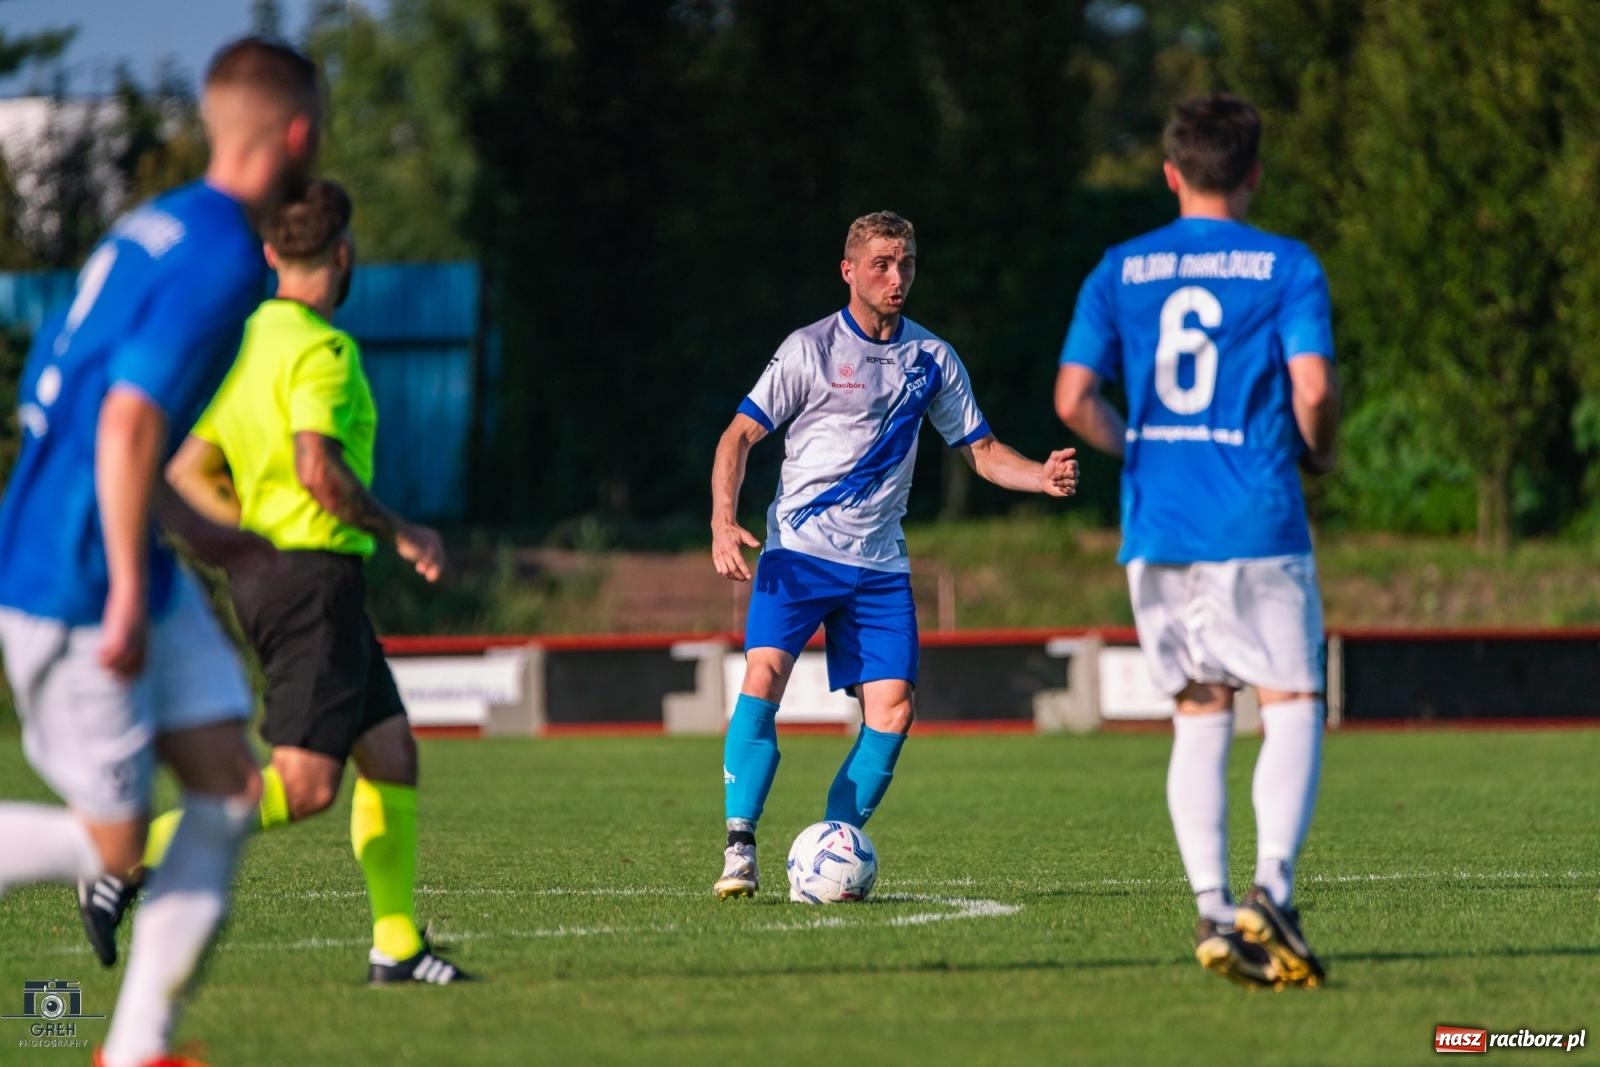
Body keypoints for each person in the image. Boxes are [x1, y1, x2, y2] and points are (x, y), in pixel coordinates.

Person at [0, 37, 321, 1067]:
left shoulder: (162, 224)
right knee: (115, 845)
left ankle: (136, 1049)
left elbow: (91, 402)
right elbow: (128, 420)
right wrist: (133, 586)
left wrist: (193, 532)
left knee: (228, 785)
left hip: (112, 540)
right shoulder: (225, 253)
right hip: (71, 574)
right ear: (299, 136)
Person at [83, 179, 468, 985]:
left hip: (281, 579)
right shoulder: (323, 350)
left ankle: (396, 947)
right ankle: (119, 857)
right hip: (314, 581)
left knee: (390, 750)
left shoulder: (244, 340)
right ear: (342, 252)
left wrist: (240, 545)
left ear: (268, 253)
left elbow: (188, 466)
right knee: (304, 783)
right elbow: (318, 471)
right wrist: (405, 531)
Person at [709, 210, 1079, 899]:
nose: (897, 276)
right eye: (881, 263)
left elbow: (984, 452)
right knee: (763, 675)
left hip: (878, 563)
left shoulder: (932, 359)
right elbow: (737, 436)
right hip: (799, 551)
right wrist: (722, 521)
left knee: (895, 710)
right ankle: (739, 845)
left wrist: (1041, 476)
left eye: (906, 262)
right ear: (848, 270)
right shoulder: (808, 349)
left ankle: (830, 850)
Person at [1055, 94, 1339, 989]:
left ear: (1171, 173)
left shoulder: (1119, 269)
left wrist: (1132, 445)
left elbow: (1071, 400)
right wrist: (1320, 451)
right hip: (1255, 514)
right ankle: (1273, 893)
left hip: (1159, 523)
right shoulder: (1287, 266)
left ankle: (1215, 908)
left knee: (1200, 708)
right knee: (1293, 698)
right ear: (1253, 174)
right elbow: (1316, 390)